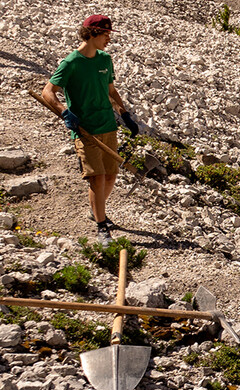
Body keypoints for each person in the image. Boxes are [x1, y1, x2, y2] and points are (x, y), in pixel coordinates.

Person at [41, 15, 141, 246]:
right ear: (93, 33)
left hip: (107, 125)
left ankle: (96, 210)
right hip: (85, 130)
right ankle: (101, 226)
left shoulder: (105, 60)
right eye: (106, 34)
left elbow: (111, 91)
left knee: (110, 175)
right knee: (96, 178)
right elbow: (48, 91)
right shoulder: (71, 63)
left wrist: (124, 114)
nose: (108, 39)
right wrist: (64, 111)